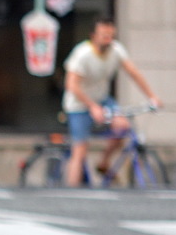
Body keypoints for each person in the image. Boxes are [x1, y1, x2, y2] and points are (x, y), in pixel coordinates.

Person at [61, 18, 161, 187]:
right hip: (78, 104)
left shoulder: (116, 50)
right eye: (104, 36)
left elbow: (134, 73)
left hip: (102, 99)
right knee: (79, 150)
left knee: (122, 126)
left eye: (111, 36)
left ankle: (103, 163)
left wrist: (152, 97)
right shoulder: (82, 54)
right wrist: (92, 107)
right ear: (93, 36)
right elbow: (71, 85)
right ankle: (72, 191)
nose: (108, 40)